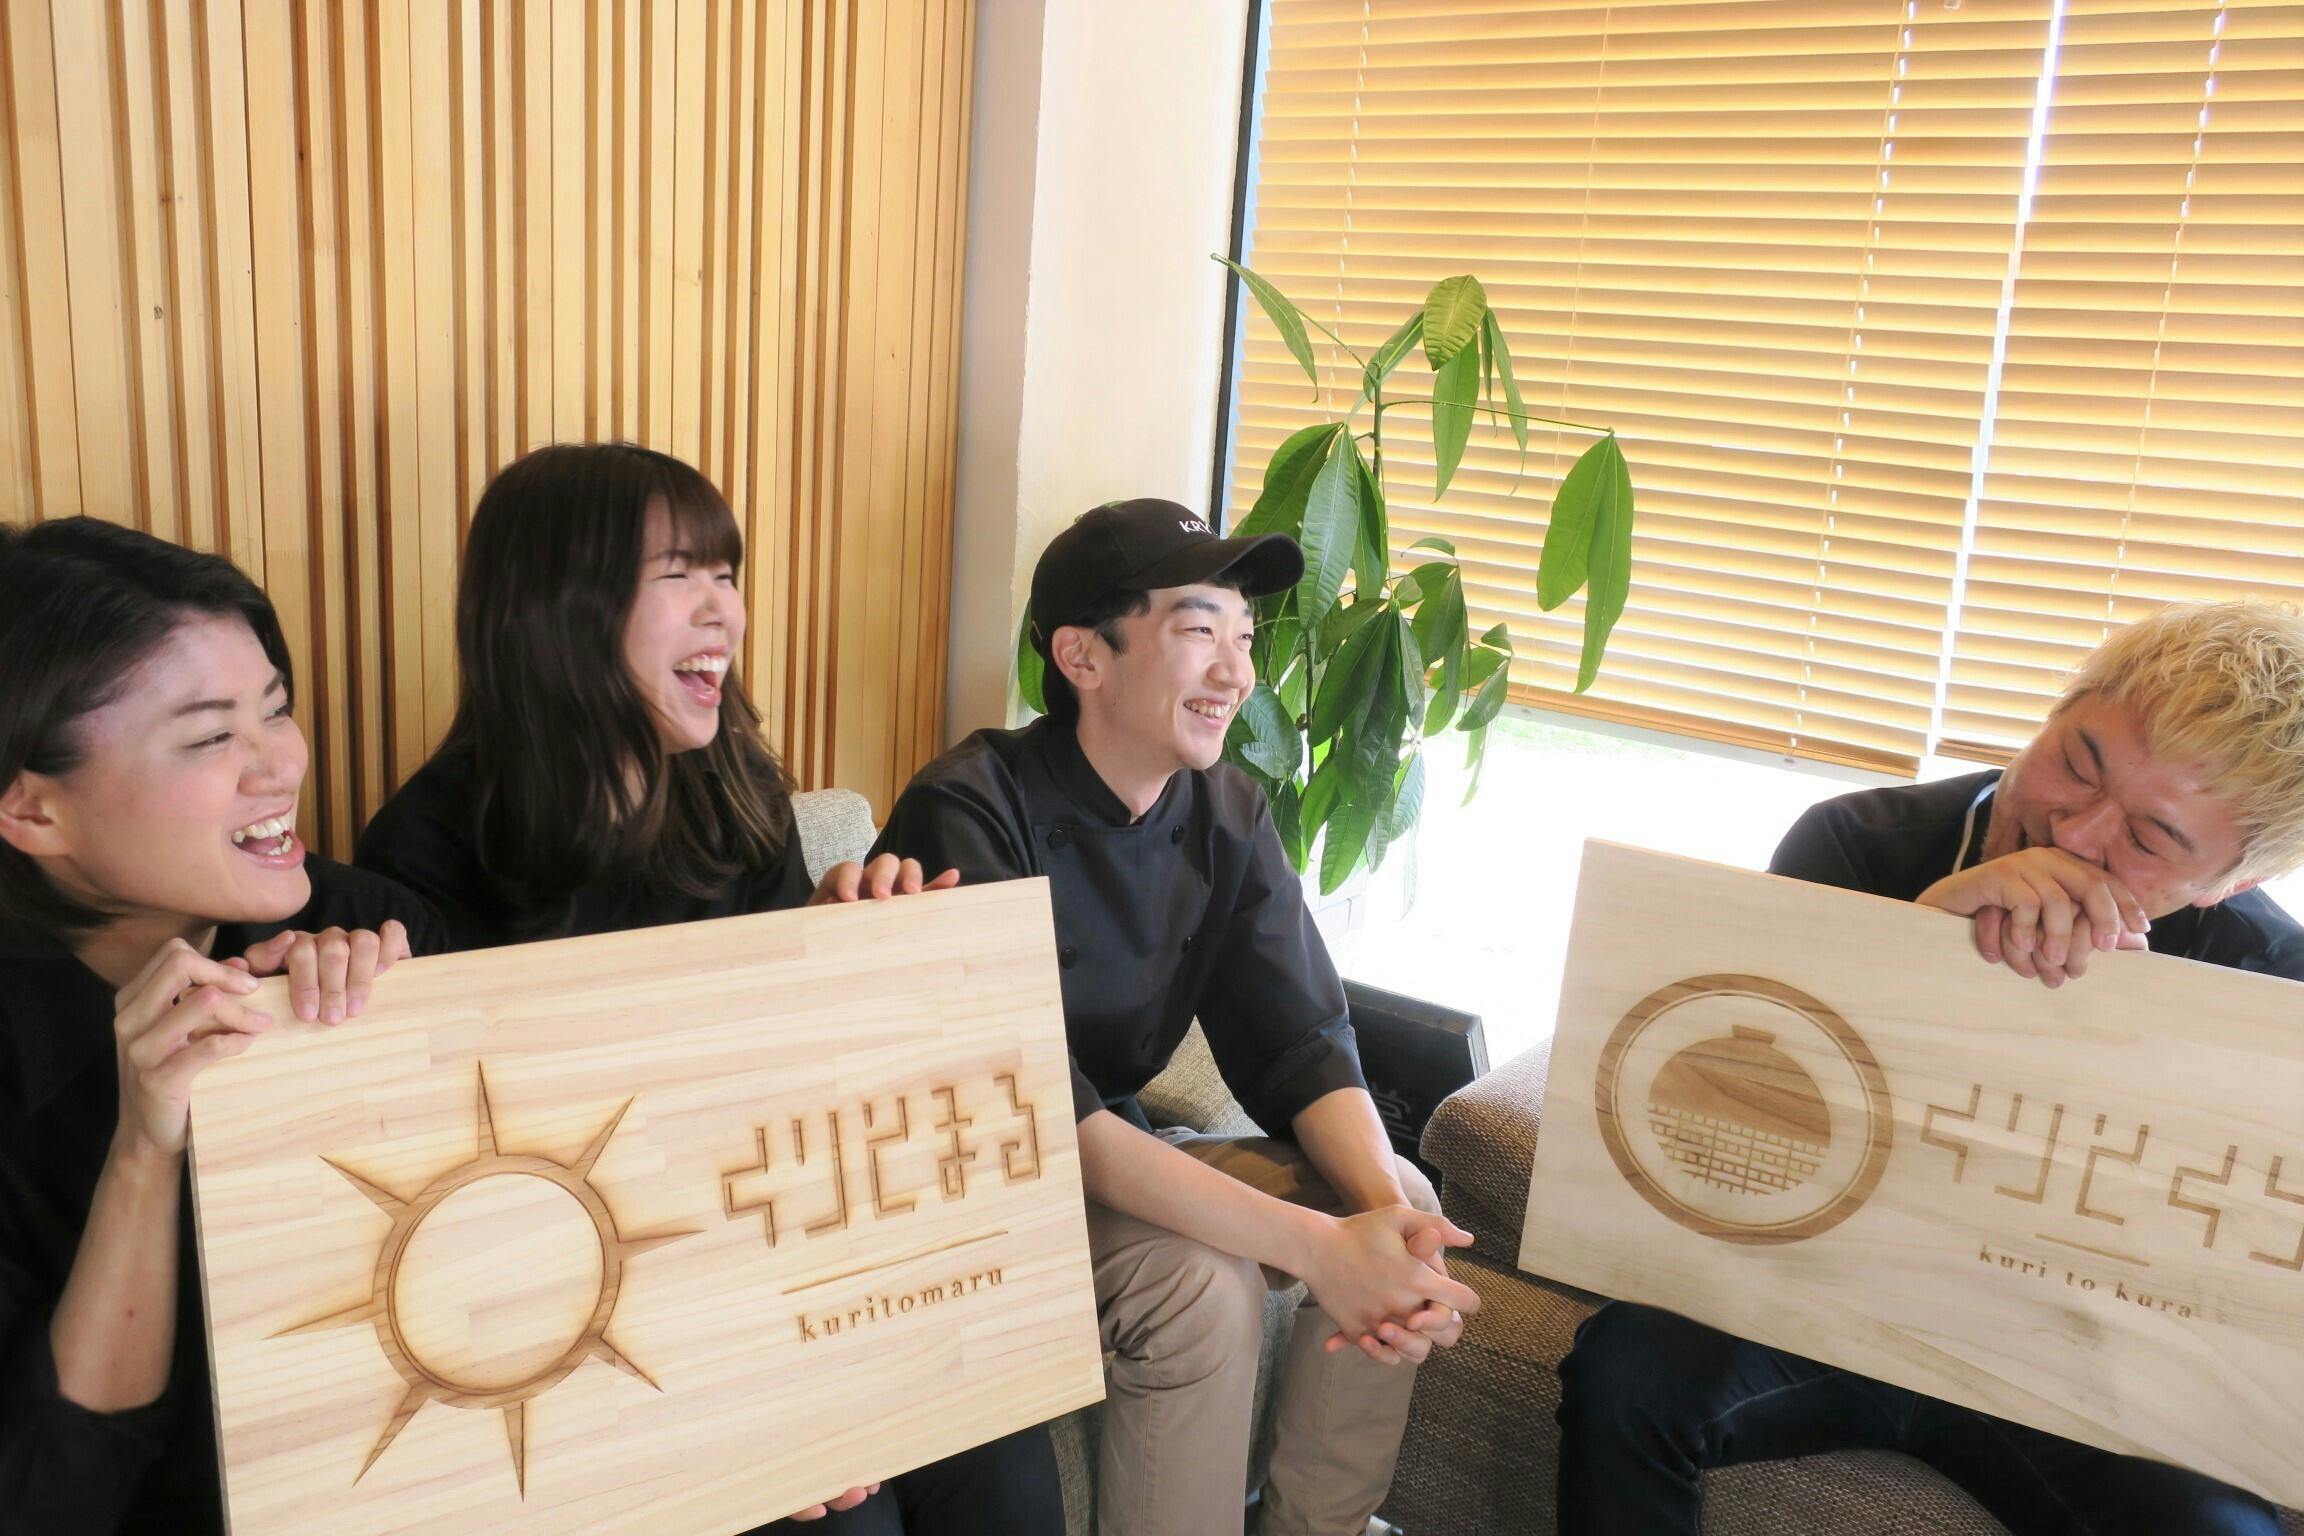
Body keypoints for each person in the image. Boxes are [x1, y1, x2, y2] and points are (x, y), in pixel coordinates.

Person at [355, 442, 1062, 1535]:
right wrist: (750, 1394)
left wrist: (841, 950)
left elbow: (776, 1082)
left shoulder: (733, 792)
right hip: (598, 1312)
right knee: (843, 1518)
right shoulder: (430, 848)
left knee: (1000, 1442)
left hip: (761, 1249)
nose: (723, 610)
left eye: (726, 575)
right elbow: (469, 1218)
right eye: (678, 575)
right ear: (558, 607)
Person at [1554, 601, 2304, 1536]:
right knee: (1627, 1372)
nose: (2076, 834)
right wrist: (1914, 947)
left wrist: (2139, 1031)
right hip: (1817, 1297)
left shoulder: (2270, 982)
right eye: (2077, 764)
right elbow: (1731, 1133)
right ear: (2049, 715)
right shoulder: (1857, 840)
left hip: (2071, 1370)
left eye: (2149, 838)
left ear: (2230, 882)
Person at [870, 498, 1485, 1536]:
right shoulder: (968, 811)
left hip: (1112, 1152)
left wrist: (1385, 1224)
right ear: (1082, 656)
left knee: (1403, 1198)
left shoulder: (1226, 812)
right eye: (1200, 630)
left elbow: (1303, 1045)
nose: (1236, 673)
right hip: (979, 1188)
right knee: (1200, 1282)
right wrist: (1321, 1251)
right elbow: (1047, 1118)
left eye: (1244, 638)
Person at [0, 518, 440, 1536]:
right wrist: (144, 1151)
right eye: (209, 737)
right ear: (33, 813)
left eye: (275, 710)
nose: (279, 764)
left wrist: (390, 1042)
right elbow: (51, 1503)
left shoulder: (377, 927)